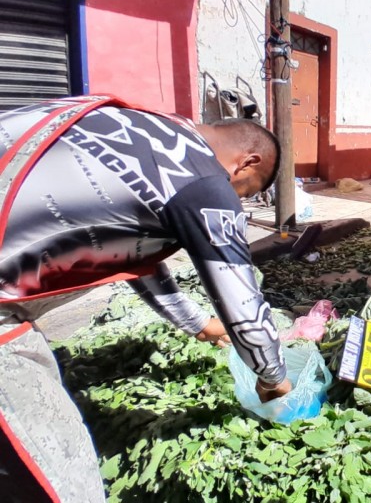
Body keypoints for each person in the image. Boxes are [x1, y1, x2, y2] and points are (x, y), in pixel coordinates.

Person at [0, 96, 289, 502]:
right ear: (247, 162)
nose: (233, 199)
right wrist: (273, 376)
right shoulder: (205, 180)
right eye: (242, 192)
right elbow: (243, 305)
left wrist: (197, 323)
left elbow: (134, 253)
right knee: (61, 472)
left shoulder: (134, 124)